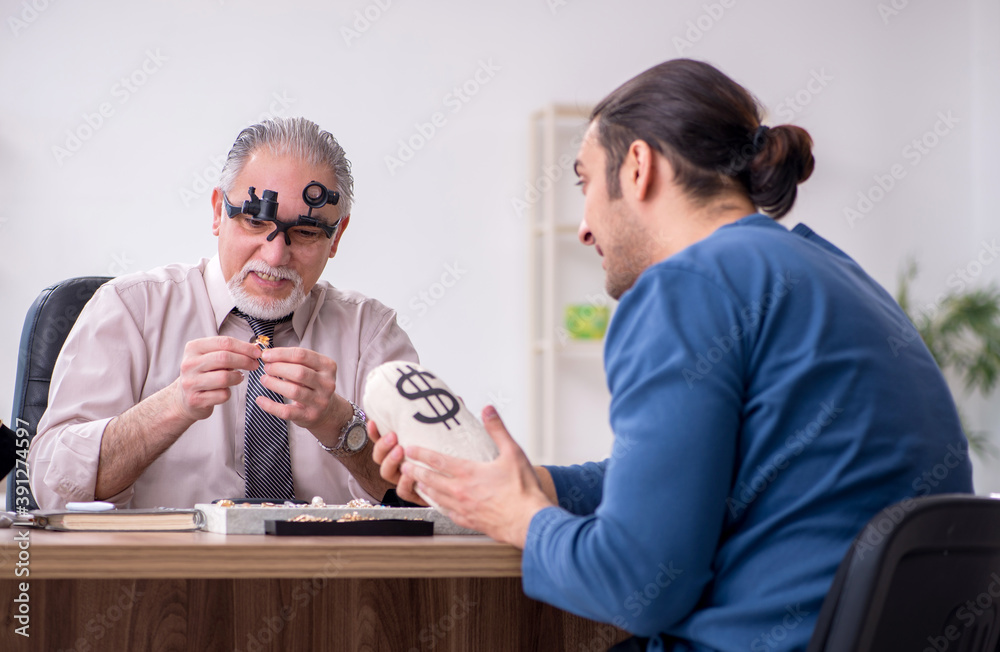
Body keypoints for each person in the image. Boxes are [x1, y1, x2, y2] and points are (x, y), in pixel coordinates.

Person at [369, 59, 974, 651]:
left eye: (584, 182)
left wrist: (519, 520)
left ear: (638, 167)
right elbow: (691, 476)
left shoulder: (688, 286)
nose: (583, 227)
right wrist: (533, 486)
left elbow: (636, 588)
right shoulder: (837, 275)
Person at [29, 117, 415, 509]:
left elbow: (430, 497)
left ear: (337, 237)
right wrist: (174, 404)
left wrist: (340, 425)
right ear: (217, 212)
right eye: (255, 220)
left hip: (328, 570)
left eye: (307, 232)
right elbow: (50, 490)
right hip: (163, 567)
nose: (275, 255)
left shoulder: (371, 334)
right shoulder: (129, 310)